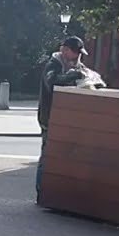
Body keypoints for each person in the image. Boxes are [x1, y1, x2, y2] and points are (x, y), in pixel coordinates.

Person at [36, 36, 104, 202]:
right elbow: (51, 83)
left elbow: (88, 78)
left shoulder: (78, 66)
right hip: (50, 118)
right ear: (64, 50)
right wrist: (73, 76)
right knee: (47, 155)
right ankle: (41, 192)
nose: (78, 57)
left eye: (79, 53)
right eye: (75, 53)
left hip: (68, 119)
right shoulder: (53, 65)